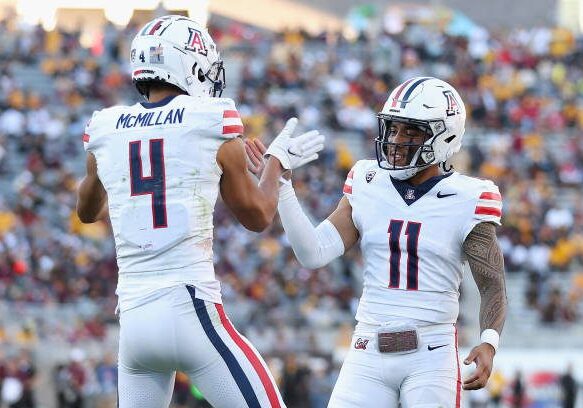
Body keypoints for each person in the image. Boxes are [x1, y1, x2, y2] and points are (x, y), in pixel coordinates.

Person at [76, 15, 324, 408]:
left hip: (135, 321)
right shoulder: (211, 119)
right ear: (189, 65)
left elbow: (87, 211)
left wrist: (116, 171)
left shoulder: (105, 127)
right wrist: (276, 163)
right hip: (190, 308)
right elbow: (257, 216)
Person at [247, 76, 508, 406]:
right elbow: (313, 253)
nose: (397, 139)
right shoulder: (367, 179)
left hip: (432, 353)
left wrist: (489, 341)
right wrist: (283, 185)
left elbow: (492, 284)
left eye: (411, 130)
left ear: (446, 134)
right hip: (367, 346)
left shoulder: (469, 196)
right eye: (394, 128)